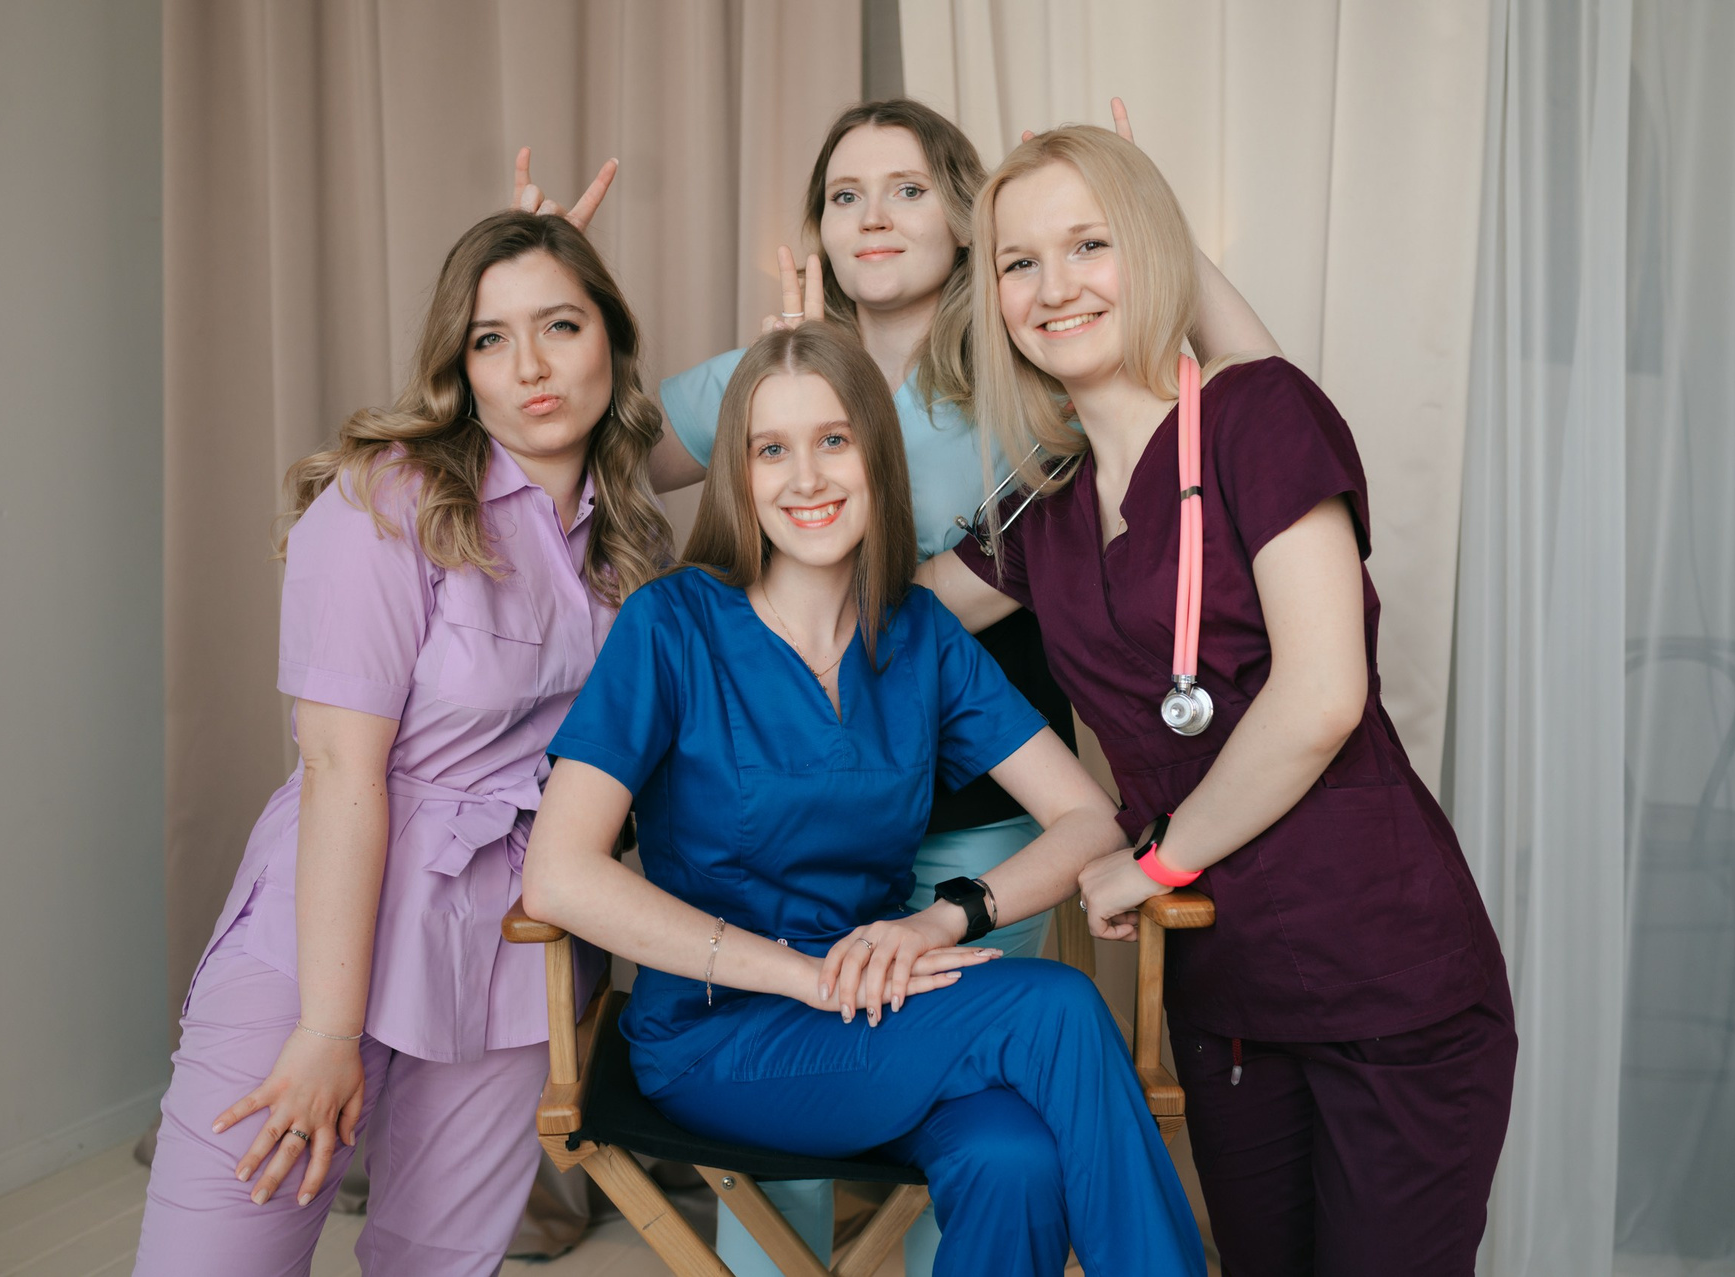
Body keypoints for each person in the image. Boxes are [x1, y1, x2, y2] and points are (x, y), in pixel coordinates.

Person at [517, 97, 1275, 1273]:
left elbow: (1090, 816)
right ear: (735, 471)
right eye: (772, 448)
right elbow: (560, 871)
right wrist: (552, 289)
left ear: (879, 461)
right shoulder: (674, 625)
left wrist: (939, 918)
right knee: (1057, 1008)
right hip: (724, 1026)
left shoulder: (921, 630)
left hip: (880, 994)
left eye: (836, 442)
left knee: (1014, 1156)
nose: (807, 477)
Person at [917, 126, 1519, 1277]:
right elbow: (876, 615)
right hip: (1226, 990)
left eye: (1092, 243)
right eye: (1018, 261)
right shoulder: (1041, 508)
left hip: (1385, 971)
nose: (1055, 286)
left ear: (1155, 253)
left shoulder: (1256, 416)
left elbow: (1323, 696)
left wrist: (1153, 861)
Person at [134, 208, 672, 1276]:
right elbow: (341, 768)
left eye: (561, 325)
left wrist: (820, 322)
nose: (530, 366)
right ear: (458, 367)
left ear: (613, 338)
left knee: (437, 1264)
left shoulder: (624, 529)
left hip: (514, 942)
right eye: (489, 337)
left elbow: (774, 417)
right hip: (331, 925)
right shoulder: (389, 500)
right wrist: (327, 1030)